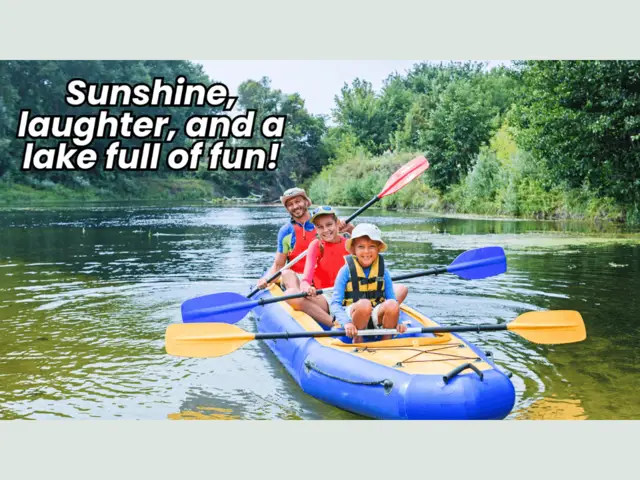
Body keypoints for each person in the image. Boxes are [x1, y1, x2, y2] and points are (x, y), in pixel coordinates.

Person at [299, 206, 408, 329]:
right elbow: (305, 279)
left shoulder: (352, 245)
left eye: (329, 224)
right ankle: (335, 322)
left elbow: (365, 240)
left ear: (337, 223)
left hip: (356, 292)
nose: (325, 230)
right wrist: (307, 288)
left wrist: (351, 228)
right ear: (316, 229)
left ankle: (380, 314)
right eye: (320, 227)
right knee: (294, 296)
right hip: (328, 295)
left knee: (402, 289)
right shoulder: (316, 245)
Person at [254, 189, 352, 326]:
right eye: (290, 204)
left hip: (325, 279)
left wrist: (349, 228)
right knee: (287, 273)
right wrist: (267, 280)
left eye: (298, 201)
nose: (295, 206)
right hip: (300, 277)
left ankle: (309, 304)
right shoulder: (286, 231)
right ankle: (303, 306)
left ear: (306, 202)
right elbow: (279, 264)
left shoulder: (326, 225)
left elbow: (362, 246)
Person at [330, 223, 407, 344]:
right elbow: (335, 303)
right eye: (361, 247)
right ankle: (358, 338)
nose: (366, 251)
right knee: (364, 304)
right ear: (354, 249)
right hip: (354, 315)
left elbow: (392, 299)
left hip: (375, 313)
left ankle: (386, 340)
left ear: (378, 249)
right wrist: (346, 322)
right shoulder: (345, 271)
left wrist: (399, 322)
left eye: (371, 246)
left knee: (392, 304)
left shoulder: (383, 272)